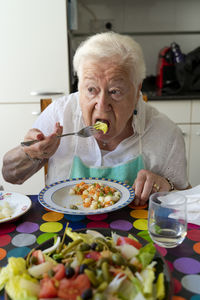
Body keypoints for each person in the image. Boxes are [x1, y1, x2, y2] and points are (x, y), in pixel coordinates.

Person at [2, 32, 190, 205]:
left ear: (137, 90)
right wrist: (30, 154)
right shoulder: (60, 114)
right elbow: (10, 175)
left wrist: (167, 187)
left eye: (114, 91)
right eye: (91, 89)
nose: (102, 104)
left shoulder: (165, 133)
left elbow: (188, 200)